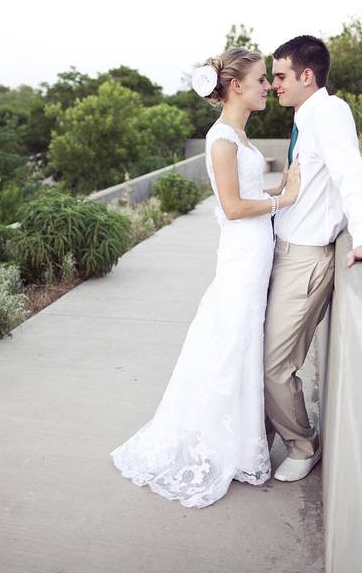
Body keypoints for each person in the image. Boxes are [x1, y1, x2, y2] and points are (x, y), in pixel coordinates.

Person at [111, 48, 301, 508]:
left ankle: (236, 443)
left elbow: (248, 193)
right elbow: (234, 208)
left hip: (255, 251)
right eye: (259, 79)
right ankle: (218, 447)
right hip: (241, 254)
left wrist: (282, 187)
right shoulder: (222, 139)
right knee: (231, 345)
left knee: (241, 345)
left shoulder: (238, 134)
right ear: (236, 86)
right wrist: (286, 200)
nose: (266, 87)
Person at [264, 35, 362, 484]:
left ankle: (303, 444)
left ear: (307, 75)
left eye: (281, 75)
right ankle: (260, 438)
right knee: (260, 356)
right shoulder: (306, 118)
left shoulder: (328, 112)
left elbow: (352, 174)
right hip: (283, 253)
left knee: (276, 365)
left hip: (306, 260)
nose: (274, 84)